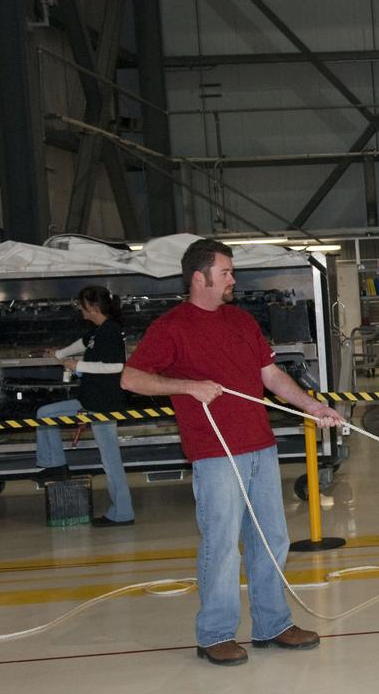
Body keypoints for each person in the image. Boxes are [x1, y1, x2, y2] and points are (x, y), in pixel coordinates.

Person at [122, 238, 343, 667]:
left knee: (272, 539)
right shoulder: (171, 327)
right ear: (199, 278)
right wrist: (187, 386)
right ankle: (216, 634)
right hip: (214, 452)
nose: (233, 280)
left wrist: (313, 406)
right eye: (225, 272)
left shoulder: (241, 320)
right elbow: (131, 379)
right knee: (222, 545)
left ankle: (272, 625)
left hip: (260, 445)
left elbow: (271, 375)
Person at [35, 285, 134, 527]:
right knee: (45, 414)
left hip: (104, 405)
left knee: (111, 461)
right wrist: (59, 354)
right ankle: (56, 465)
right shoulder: (98, 331)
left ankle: (122, 513)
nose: (80, 309)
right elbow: (83, 343)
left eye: (82, 305)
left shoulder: (111, 332)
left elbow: (116, 367)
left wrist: (78, 366)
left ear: (93, 307)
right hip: (89, 399)